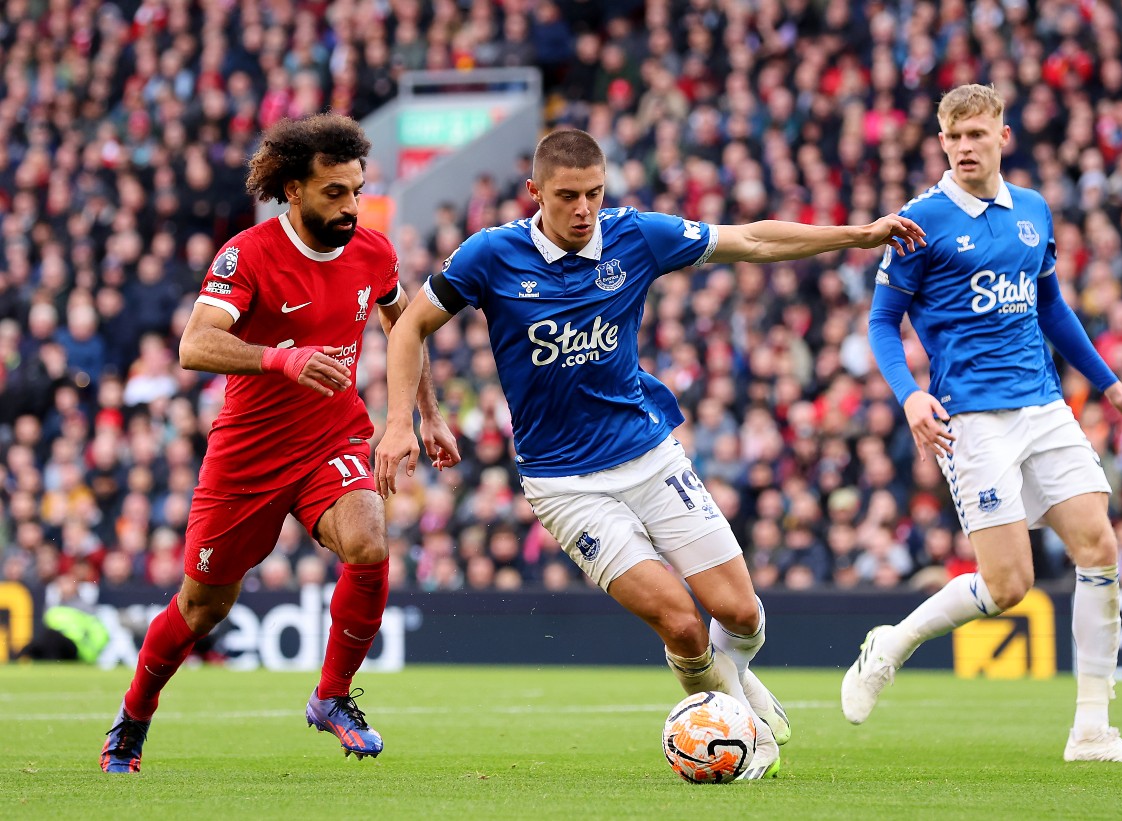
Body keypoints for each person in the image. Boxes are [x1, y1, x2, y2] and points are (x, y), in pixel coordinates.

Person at [373, 128, 925, 780]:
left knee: (743, 616)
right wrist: (403, 420)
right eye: (568, 195)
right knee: (682, 624)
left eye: (594, 194)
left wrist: (857, 235)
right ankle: (732, 732)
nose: (584, 208)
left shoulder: (636, 235)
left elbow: (749, 239)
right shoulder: (491, 255)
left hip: (651, 455)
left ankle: (736, 681)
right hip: (565, 482)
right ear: (535, 193)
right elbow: (410, 323)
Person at [100, 113, 459, 773]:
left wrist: (421, 414)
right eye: (334, 192)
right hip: (248, 455)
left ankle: (332, 696)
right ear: (293, 189)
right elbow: (194, 342)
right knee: (201, 608)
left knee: (369, 541)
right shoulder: (249, 253)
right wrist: (281, 360)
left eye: (355, 189)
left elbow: (403, 327)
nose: (351, 205)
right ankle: (134, 715)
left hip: (332, 436)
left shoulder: (374, 252)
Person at [844, 84, 1122, 764]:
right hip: (971, 417)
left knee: (1099, 547)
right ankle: (891, 643)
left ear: (1002, 135)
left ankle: (1091, 729)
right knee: (1007, 586)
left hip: (1044, 405)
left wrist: (1112, 388)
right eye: (954, 137)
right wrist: (908, 394)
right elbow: (881, 321)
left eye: (977, 134)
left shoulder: (1033, 210)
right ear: (941, 142)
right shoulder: (918, 221)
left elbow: (1052, 308)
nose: (966, 146)